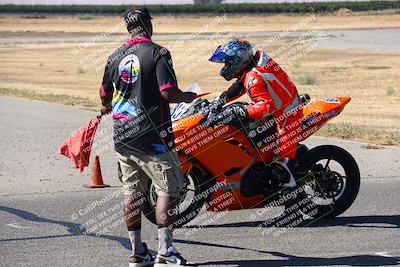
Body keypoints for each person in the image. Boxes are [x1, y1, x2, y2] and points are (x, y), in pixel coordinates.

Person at [99, 7, 196, 267]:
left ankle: (137, 252)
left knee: (132, 193)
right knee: (169, 190)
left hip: (123, 137)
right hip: (153, 136)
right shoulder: (158, 53)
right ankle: (165, 252)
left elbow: (105, 97)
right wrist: (187, 96)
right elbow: (168, 93)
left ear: (129, 28)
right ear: (148, 26)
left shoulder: (113, 56)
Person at [207, 38, 303, 188]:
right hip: (281, 107)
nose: (225, 67)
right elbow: (239, 87)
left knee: (280, 162)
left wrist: (242, 110)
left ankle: (293, 200)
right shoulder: (251, 66)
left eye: (227, 62)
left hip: (287, 114)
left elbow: (266, 106)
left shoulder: (254, 77)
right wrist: (217, 101)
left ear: (239, 60)